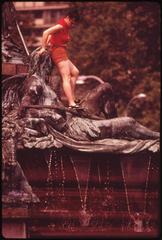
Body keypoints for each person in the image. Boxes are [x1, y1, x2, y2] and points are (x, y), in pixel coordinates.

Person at [38, 9, 81, 109]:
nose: (72, 25)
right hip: (58, 53)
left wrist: (49, 43)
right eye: (72, 22)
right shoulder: (61, 25)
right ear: (69, 18)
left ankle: (72, 98)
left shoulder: (64, 26)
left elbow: (51, 35)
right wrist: (43, 47)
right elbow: (46, 32)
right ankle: (71, 103)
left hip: (61, 52)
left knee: (75, 72)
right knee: (66, 77)